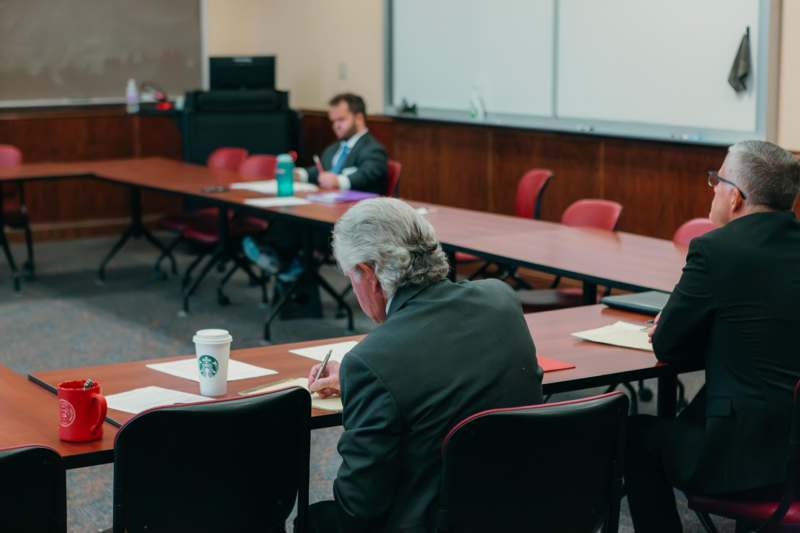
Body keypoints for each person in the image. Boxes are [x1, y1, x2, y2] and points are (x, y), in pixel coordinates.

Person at [301, 198, 543, 533]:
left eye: (350, 278)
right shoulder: (501, 300)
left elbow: (359, 507)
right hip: (522, 508)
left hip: (433, 521)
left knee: (312, 521)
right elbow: (448, 361)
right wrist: (366, 383)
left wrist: (371, 379)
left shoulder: (373, 359)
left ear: (369, 274)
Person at [626, 140, 800, 532]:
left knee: (636, 436)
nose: (714, 189)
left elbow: (668, 344)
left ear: (735, 197)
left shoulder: (715, 250)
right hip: (794, 450)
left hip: (745, 461)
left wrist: (675, 324)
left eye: (716, 180)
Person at [243, 92, 388, 280]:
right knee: (291, 211)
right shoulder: (334, 148)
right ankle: (283, 262)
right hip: (324, 209)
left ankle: (280, 260)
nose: (335, 125)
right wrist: (300, 174)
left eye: (341, 120)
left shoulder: (373, 148)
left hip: (349, 220)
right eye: (333, 121)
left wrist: (339, 181)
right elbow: (319, 171)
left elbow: (369, 173)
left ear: (359, 118)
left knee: (299, 219)